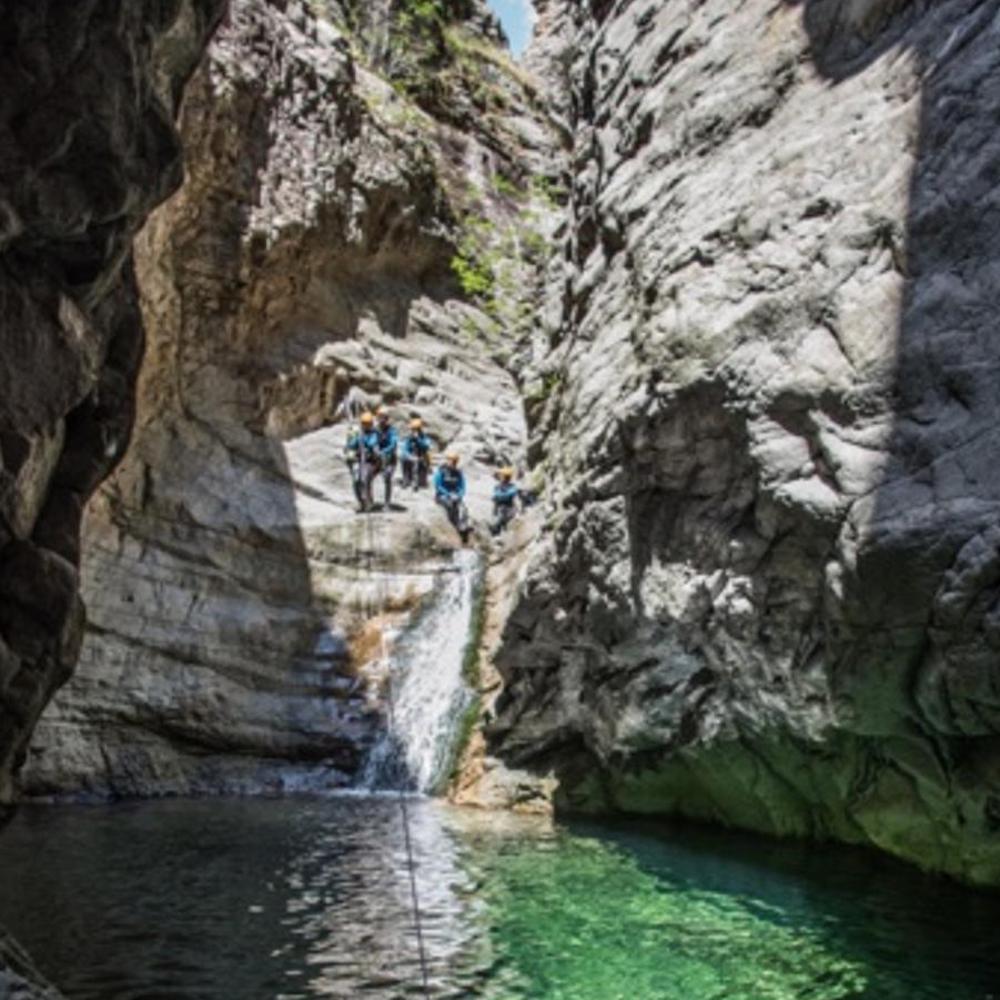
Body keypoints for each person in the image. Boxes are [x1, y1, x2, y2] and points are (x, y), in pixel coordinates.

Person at [434, 451, 471, 543]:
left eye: (455, 461)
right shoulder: (441, 471)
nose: (453, 463)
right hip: (443, 495)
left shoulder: (458, 472)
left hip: (455, 495)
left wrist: (459, 495)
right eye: (452, 461)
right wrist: (448, 494)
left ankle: (462, 525)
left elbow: (462, 486)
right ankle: (453, 525)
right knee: (450, 505)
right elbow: (438, 486)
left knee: (463, 509)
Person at [345, 411, 377, 510]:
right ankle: (361, 501)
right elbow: (352, 445)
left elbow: (372, 444)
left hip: (370, 461)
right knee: (356, 481)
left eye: (367, 424)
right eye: (364, 424)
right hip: (359, 460)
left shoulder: (374, 434)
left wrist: (364, 441)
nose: (366, 426)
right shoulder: (359, 434)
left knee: (365, 480)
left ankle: (369, 501)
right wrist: (353, 443)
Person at [372, 406, 398, 508]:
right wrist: (375, 449)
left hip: (389, 459)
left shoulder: (392, 430)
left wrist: (383, 452)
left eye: (383, 417)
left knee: (387, 477)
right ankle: (370, 501)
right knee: (367, 477)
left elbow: (393, 444)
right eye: (380, 417)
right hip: (377, 458)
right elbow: (372, 440)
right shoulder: (374, 430)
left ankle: (387, 503)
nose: (381, 419)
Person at [400, 418, 432, 490]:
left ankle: (416, 482)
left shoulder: (424, 437)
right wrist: (409, 456)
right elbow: (404, 448)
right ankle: (406, 479)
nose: (413, 431)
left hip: (421, 457)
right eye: (413, 429)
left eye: (416, 429)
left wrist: (418, 439)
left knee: (417, 462)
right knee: (403, 457)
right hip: (412, 457)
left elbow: (426, 446)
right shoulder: (409, 438)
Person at [490, 467, 520, 536]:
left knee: (502, 519)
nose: (506, 478)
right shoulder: (498, 487)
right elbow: (496, 495)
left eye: (507, 477)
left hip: (509, 508)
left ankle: (498, 531)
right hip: (500, 508)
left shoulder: (512, 486)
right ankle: (496, 531)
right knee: (499, 519)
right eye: (505, 476)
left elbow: (512, 494)